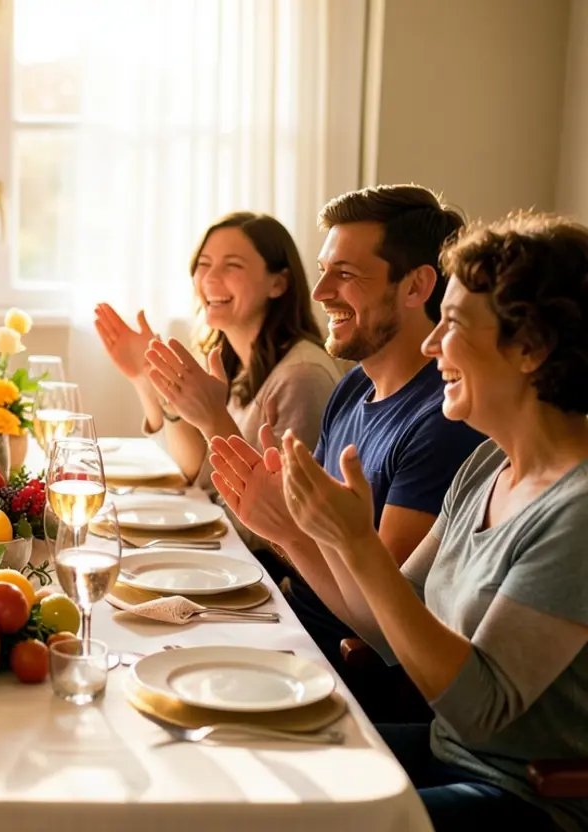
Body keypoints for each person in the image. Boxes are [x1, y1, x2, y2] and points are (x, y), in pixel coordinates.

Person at [220, 213, 588, 829]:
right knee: (242, 763)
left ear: (531, 349)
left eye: (455, 324)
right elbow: (389, 635)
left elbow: (479, 709)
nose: (429, 343)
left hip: (524, 798)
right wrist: (295, 532)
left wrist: (359, 544)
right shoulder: (485, 464)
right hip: (448, 756)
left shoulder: (576, 512)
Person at [205, 186, 486, 687]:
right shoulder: (354, 385)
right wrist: (281, 523)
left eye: (346, 274)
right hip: (290, 622)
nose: (319, 293)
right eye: (324, 270)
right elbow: (312, 542)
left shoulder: (442, 423)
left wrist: (286, 531)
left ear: (417, 287)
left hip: (339, 669)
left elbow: (375, 626)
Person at [95, 212, 341, 548]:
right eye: (204, 264)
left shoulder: (302, 377)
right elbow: (196, 471)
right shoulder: (235, 361)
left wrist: (211, 418)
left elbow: (282, 527)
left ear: (278, 283)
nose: (209, 278)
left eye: (232, 265)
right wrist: (146, 378)